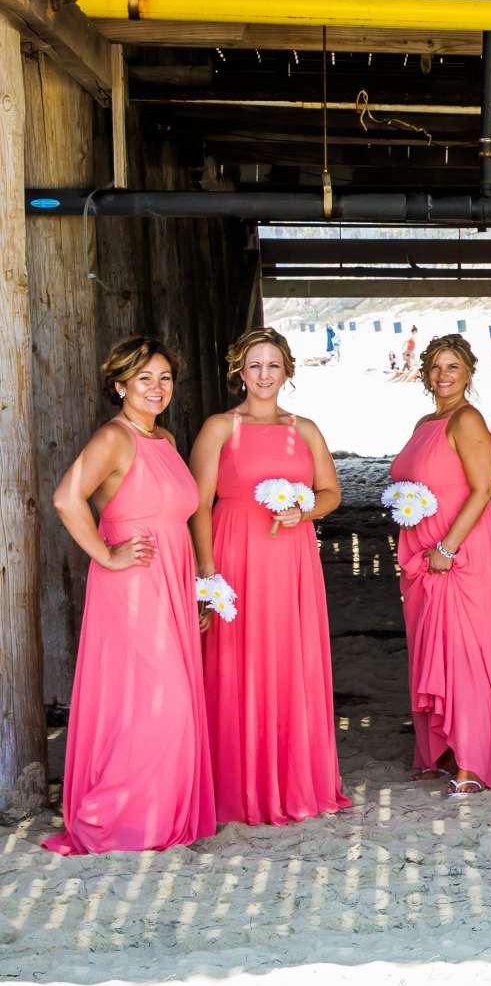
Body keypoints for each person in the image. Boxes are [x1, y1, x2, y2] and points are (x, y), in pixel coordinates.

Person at [43, 336, 217, 855]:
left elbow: (175, 519)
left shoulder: (162, 438)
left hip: (170, 581)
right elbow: (65, 497)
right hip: (134, 585)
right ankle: (113, 819)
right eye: (144, 378)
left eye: (164, 378)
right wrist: (106, 554)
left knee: (164, 702)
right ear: (120, 385)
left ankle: (156, 817)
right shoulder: (116, 438)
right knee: (158, 703)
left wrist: (195, 592)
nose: (157, 388)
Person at [188, 327, 349, 826]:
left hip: (291, 559)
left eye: (273, 365)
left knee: (288, 658)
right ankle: (238, 785)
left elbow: (331, 493)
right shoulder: (220, 427)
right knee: (236, 660)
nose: (264, 375)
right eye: (254, 365)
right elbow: (197, 505)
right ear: (240, 370)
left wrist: (305, 512)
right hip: (234, 553)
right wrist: (208, 575)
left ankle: (293, 779)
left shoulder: (305, 429)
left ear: (287, 372)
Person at [389, 334, 491, 796]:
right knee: (433, 650)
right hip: (423, 553)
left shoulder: (467, 420)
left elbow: (483, 489)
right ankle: (443, 750)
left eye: (453, 366)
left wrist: (447, 548)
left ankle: (473, 761)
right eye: (435, 367)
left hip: (460, 550)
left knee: (465, 654)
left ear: (469, 371)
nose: (443, 375)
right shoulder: (426, 420)